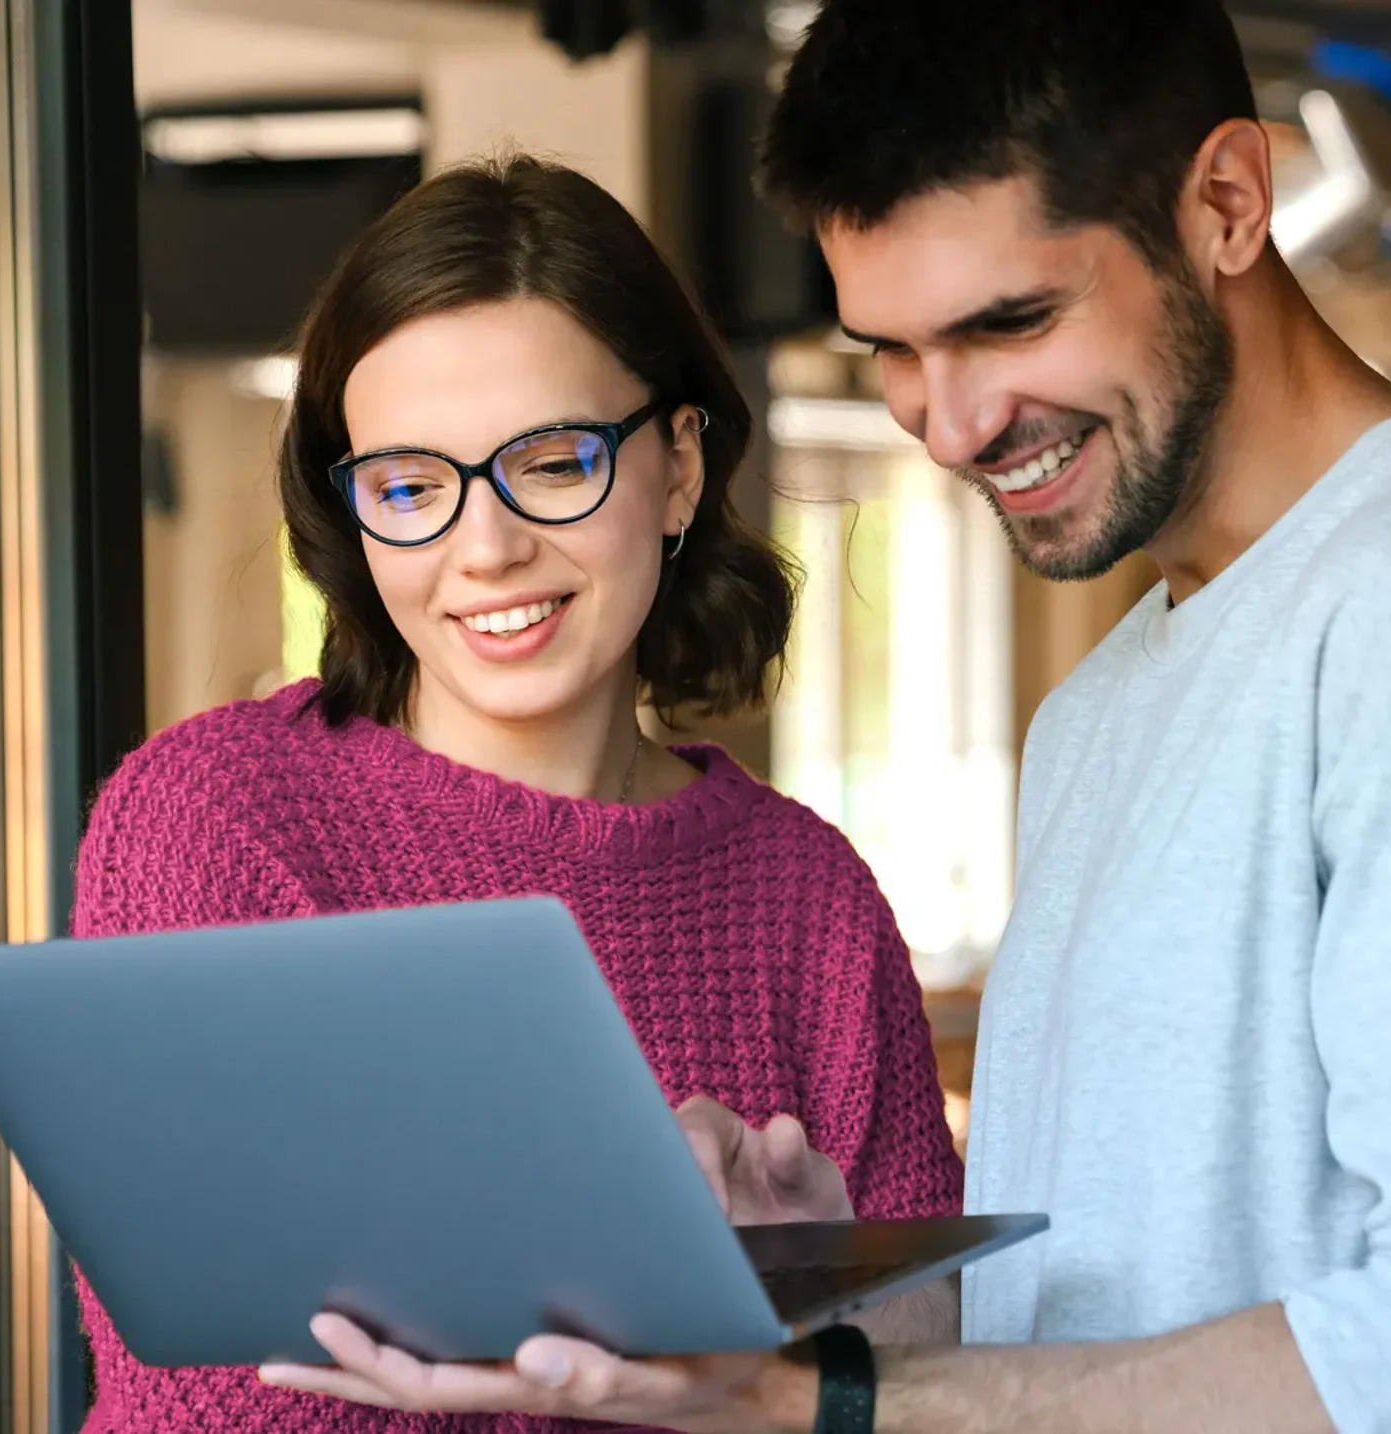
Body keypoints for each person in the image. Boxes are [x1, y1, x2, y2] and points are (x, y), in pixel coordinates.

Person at [262, 2, 1391, 1431]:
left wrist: (829, 1409)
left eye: (1011, 320)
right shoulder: (1105, 707)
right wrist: (830, 1308)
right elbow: (1087, 1333)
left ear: (1226, 202)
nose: (954, 422)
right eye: (894, 349)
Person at [70, 152, 964, 1433]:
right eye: (410, 487)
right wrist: (660, 1317)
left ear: (679, 468)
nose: (484, 548)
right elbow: (212, 1400)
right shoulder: (215, 819)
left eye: (551, 462)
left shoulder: (809, 898)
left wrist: (807, 1309)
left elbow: (925, 1382)